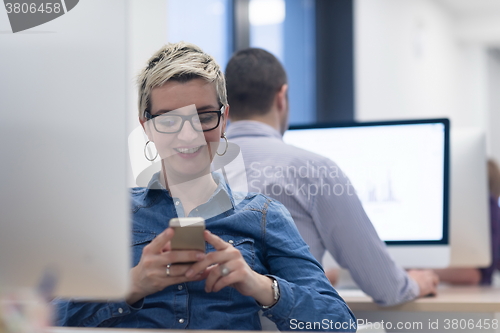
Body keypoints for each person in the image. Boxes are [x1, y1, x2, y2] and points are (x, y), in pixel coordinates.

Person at [53, 42, 356, 331]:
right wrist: (132, 284)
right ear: (147, 127)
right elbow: (41, 317)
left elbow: (338, 324)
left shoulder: (264, 215)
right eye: (170, 121)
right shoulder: (113, 216)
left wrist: (261, 285)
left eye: (204, 116)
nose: (189, 135)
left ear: (223, 119)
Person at [224, 47, 439, 306]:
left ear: (225, 106)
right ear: (281, 97)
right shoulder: (316, 169)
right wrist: (415, 283)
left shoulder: (193, 172)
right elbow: (385, 286)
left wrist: (314, 275)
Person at [434, 159, 500, 285]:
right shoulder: (492, 210)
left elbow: (472, 274)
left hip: (473, 292)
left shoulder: (486, 207)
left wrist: (414, 270)